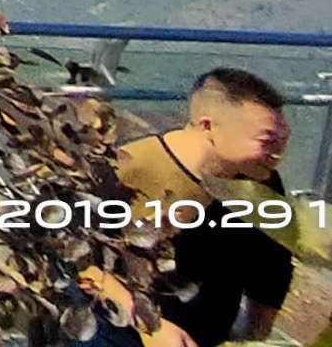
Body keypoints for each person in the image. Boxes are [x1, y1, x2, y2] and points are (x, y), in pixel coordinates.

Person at [112, 67, 298, 345]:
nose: (277, 154)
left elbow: (271, 267)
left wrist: (254, 336)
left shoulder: (260, 183)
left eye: (283, 140)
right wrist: (151, 326)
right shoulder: (127, 168)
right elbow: (76, 267)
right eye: (267, 141)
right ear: (208, 126)